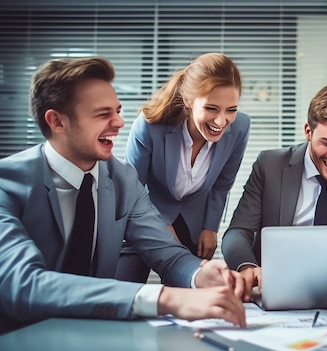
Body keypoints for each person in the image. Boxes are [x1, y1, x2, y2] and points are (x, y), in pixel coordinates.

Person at [0, 56, 246, 333]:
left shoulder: (123, 180)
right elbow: (21, 283)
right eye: (103, 114)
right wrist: (165, 298)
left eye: (117, 111)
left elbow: (169, 255)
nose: (119, 122)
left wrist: (201, 275)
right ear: (57, 121)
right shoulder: (5, 184)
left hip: (97, 334)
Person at [221, 83, 327, 300]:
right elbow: (237, 232)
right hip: (280, 288)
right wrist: (248, 268)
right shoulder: (270, 165)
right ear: (308, 132)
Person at [114, 53, 250, 283]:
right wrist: (160, 223)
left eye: (231, 110)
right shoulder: (150, 126)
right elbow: (133, 186)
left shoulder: (240, 127)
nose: (221, 121)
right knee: (126, 289)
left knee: (192, 292)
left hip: (193, 221)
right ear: (188, 101)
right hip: (144, 216)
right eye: (211, 108)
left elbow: (222, 184)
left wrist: (210, 227)